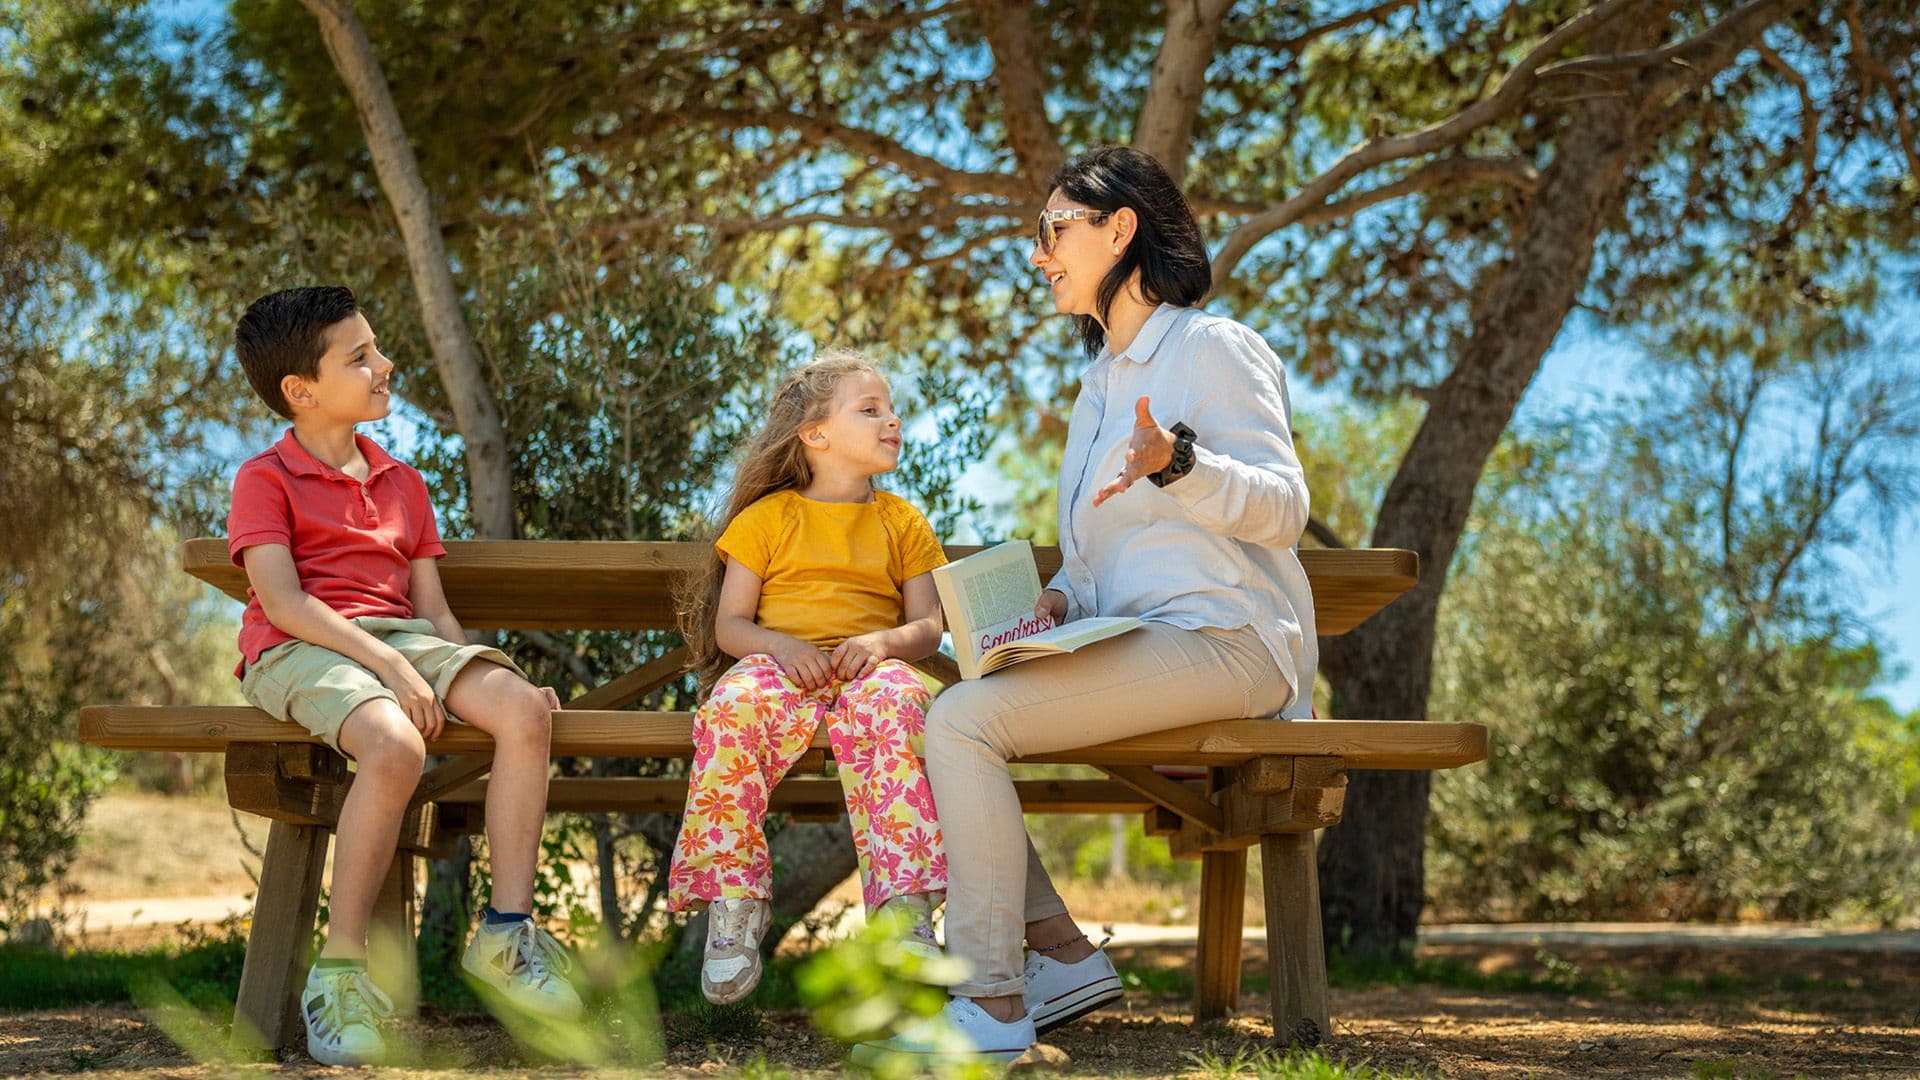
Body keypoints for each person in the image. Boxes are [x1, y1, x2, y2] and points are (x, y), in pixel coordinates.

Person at [855, 145, 1318, 1065]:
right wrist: (1059, 597)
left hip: (1230, 643)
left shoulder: (1210, 348)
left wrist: (1181, 464)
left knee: (963, 724)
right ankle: (1059, 953)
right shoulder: (1098, 385)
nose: (1040, 254)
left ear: (1120, 230)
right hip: (1149, 641)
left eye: (1053, 229)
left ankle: (989, 1001)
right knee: (933, 716)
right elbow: (1104, 554)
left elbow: (1285, 509)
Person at [227, 286, 582, 1065]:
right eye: (360, 357)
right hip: (299, 646)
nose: (384, 365)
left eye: (376, 349)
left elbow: (434, 617)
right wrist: (387, 665)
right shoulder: (264, 478)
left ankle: (506, 936)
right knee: (394, 746)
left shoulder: (403, 482)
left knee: (525, 710)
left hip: (402, 640)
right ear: (301, 389)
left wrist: (488, 678)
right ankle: (341, 973)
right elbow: (282, 603)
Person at [667, 349, 951, 1005]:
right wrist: (783, 649)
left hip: (867, 676)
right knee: (730, 707)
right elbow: (731, 627)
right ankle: (735, 902)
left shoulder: (901, 522)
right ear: (814, 434)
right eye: (870, 409)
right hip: (781, 671)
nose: (892, 421)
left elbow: (928, 627)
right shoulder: (767, 520)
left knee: (905, 705)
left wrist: (883, 643)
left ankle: (904, 907)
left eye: (891, 409)